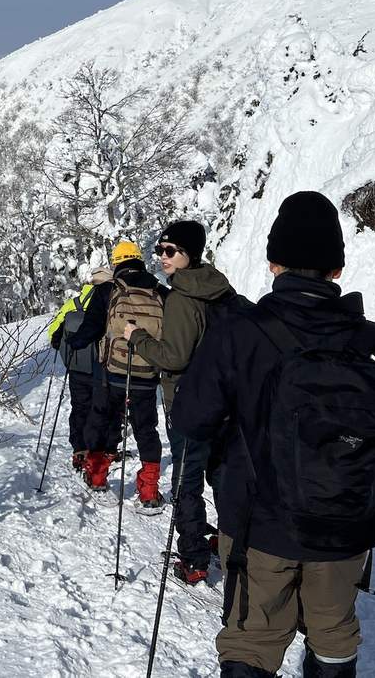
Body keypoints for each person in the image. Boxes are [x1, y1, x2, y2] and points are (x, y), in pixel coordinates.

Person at [173, 191, 375, 678]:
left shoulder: (239, 333)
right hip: (344, 533)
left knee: (252, 639)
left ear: (273, 262)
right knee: (333, 634)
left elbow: (191, 421)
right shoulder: (374, 344)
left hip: (259, 527)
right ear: (336, 271)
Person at [122, 219, 240, 584]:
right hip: (227, 403)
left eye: (170, 251)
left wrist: (137, 337)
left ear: (189, 254)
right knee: (222, 477)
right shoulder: (221, 290)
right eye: (159, 250)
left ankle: (194, 558)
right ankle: (230, 544)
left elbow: (173, 358)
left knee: (187, 481)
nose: (163, 257)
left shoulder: (182, 299)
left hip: (189, 403)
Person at [69, 240, 168, 511]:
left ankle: (97, 476)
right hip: (147, 373)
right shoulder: (159, 290)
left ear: (116, 263)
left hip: (111, 372)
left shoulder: (107, 290)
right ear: (139, 259)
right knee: (146, 429)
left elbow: (90, 329)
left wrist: (74, 343)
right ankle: (148, 490)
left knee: (101, 419)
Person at [48, 268, 113, 470]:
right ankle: (105, 450)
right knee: (104, 408)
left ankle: (79, 450)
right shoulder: (112, 302)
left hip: (76, 366)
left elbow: (53, 335)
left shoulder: (73, 304)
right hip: (103, 367)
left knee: (80, 407)